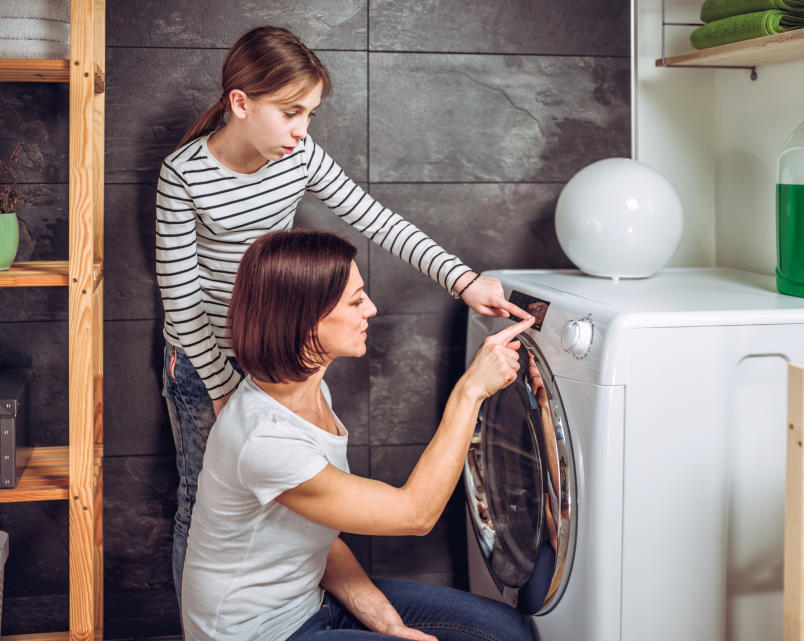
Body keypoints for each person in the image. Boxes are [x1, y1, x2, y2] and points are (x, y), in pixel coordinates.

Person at [156, 25, 530, 599]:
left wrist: (463, 280)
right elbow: (180, 299)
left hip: (277, 353)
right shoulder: (183, 174)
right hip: (205, 359)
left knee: (290, 495)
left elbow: (377, 220)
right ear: (240, 103)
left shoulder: (299, 157)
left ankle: (291, 610)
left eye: (309, 114)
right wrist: (223, 388)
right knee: (200, 496)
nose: (302, 130)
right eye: (290, 113)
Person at [180, 229, 536, 641]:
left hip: (311, 601)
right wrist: (470, 389)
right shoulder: (266, 438)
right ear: (304, 319)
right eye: (355, 300)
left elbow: (315, 533)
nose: (371, 308)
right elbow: (414, 515)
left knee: (504, 632)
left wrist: (386, 622)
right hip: (258, 634)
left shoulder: (309, 391)